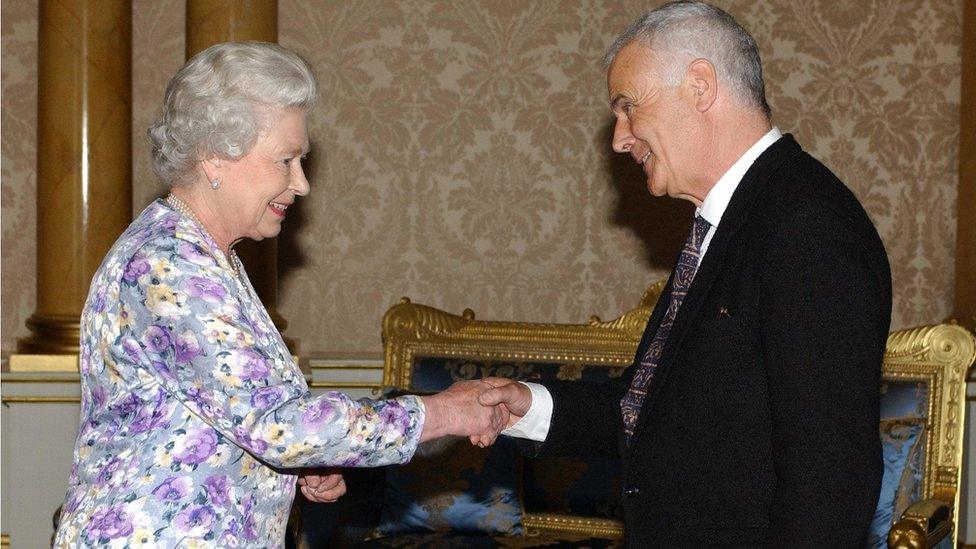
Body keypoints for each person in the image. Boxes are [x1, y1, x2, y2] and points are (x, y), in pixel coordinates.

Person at [53, 42, 506, 547]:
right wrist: (443, 412)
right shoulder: (167, 266)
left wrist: (299, 465)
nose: (303, 183)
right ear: (214, 157)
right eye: (286, 160)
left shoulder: (204, 255)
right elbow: (276, 424)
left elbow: (236, 415)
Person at [477, 2, 892, 546]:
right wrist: (526, 405)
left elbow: (829, 478)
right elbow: (657, 412)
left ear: (700, 86)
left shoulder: (806, 227)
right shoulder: (736, 217)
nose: (619, 138)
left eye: (628, 107)